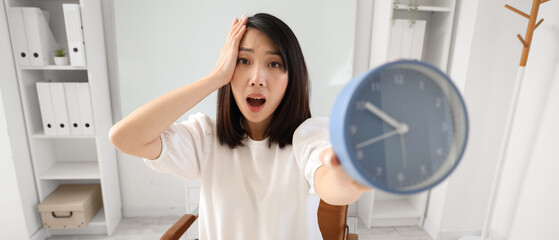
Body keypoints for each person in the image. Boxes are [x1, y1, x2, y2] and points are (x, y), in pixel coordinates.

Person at [109, 13, 371, 240]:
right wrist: (214, 78)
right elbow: (124, 137)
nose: (257, 78)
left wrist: (346, 176)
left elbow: (331, 184)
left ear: (292, 78)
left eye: (274, 63)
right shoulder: (206, 138)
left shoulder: (308, 136)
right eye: (243, 61)